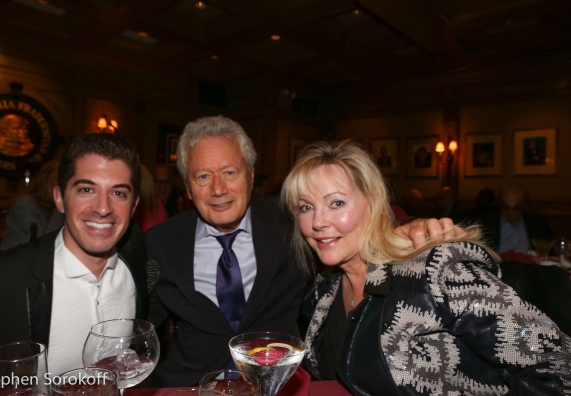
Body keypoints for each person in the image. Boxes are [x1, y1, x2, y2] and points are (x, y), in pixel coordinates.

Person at [146, 116, 460, 387]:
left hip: (280, 383)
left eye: (230, 172)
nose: (218, 189)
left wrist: (402, 234)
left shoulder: (295, 223)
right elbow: (138, 319)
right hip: (193, 385)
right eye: (203, 177)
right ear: (187, 187)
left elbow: (348, 233)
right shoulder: (160, 243)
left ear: (251, 176)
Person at [281, 140, 570, 395]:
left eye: (336, 203)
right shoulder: (324, 288)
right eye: (306, 207)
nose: (318, 222)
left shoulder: (436, 271)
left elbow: (558, 366)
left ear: (374, 203)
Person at [0, 133, 154, 379]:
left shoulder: (138, 254)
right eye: (87, 189)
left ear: (133, 207)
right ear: (60, 198)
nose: (103, 208)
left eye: (118, 193)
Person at [0, 160, 64, 249]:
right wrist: (59, 205)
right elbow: (43, 241)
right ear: (45, 180)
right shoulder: (24, 204)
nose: (64, 183)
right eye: (59, 178)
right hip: (16, 259)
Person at [479, 184, 554, 254]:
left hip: (530, 266)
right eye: (506, 207)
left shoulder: (537, 222)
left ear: (524, 206)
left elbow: (550, 250)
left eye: (516, 208)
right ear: (500, 204)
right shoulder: (487, 223)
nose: (510, 212)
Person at [134, 164, 168, 232]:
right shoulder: (158, 205)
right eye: (158, 182)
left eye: (166, 182)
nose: (162, 186)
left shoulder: (157, 206)